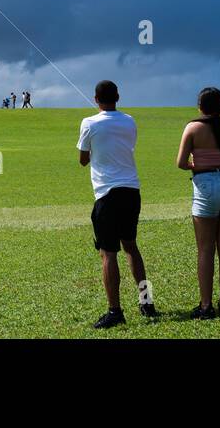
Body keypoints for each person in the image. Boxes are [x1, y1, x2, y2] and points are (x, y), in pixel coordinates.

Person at [77, 80, 156, 328]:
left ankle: (114, 311)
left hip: (107, 194)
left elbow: (83, 159)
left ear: (95, 99)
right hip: (131, 191)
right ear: (118, 97)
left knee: (108, 253)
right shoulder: (129, 121)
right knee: (131, 246)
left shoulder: (89, 123)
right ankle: (147, 302)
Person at [176, 86, 220, 319]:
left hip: (206, 185)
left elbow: (181, 162)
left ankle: (206, 306)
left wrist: (196, 165)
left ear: (199, 106)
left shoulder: (193, 127)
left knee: (206, 249)